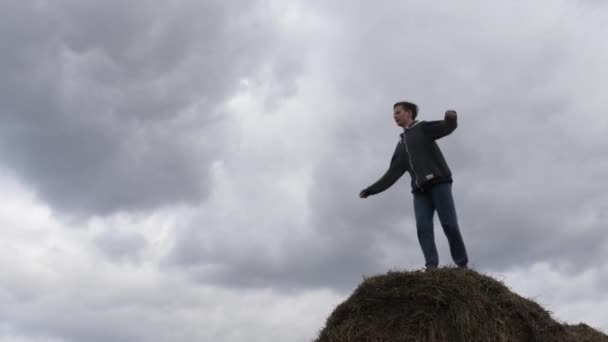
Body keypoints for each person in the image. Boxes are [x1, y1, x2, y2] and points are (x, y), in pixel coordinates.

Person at [359, 101, 469, 270]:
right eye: (394, 113)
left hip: (440, 182)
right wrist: (371, 190)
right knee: (423, 227)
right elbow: (392, 173)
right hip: (420, 191)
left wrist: (451, 119)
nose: (394, 116)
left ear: (409, 113)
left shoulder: (422, 128)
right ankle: (431, 266)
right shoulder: (401, 145)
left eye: (398, 112)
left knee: (449, 224)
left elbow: (446, 127)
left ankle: (462, 264)